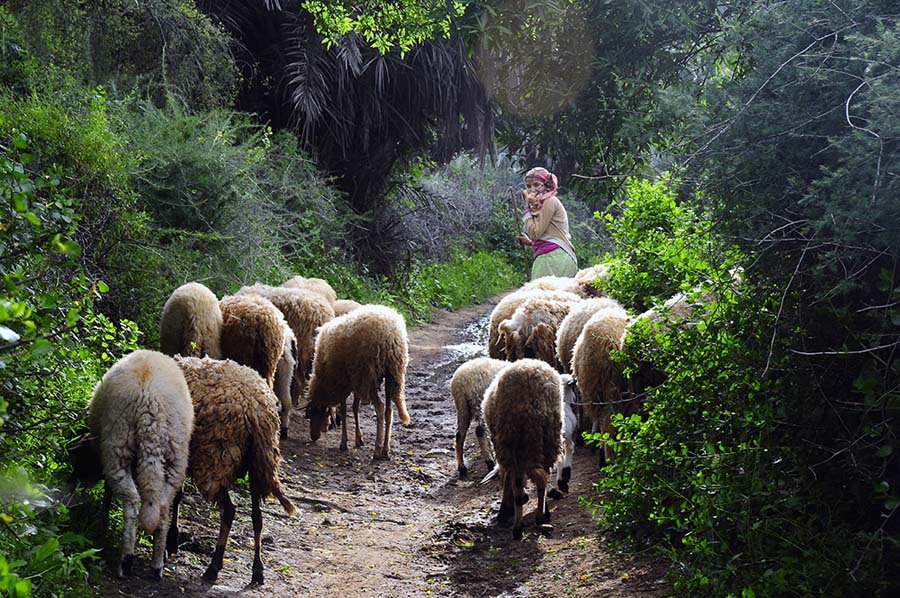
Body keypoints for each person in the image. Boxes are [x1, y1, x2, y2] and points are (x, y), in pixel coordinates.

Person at [516, 167, 578, 280]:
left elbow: (535, 233)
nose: (532, 190)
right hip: (553, 257)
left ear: (546, 185)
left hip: (553, 259)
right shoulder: (541, 204)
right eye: (528, 186)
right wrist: (529, 242)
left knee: (540, 291)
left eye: (536, 185)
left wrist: (526, 209)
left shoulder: (549, 201)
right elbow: (547, 234)